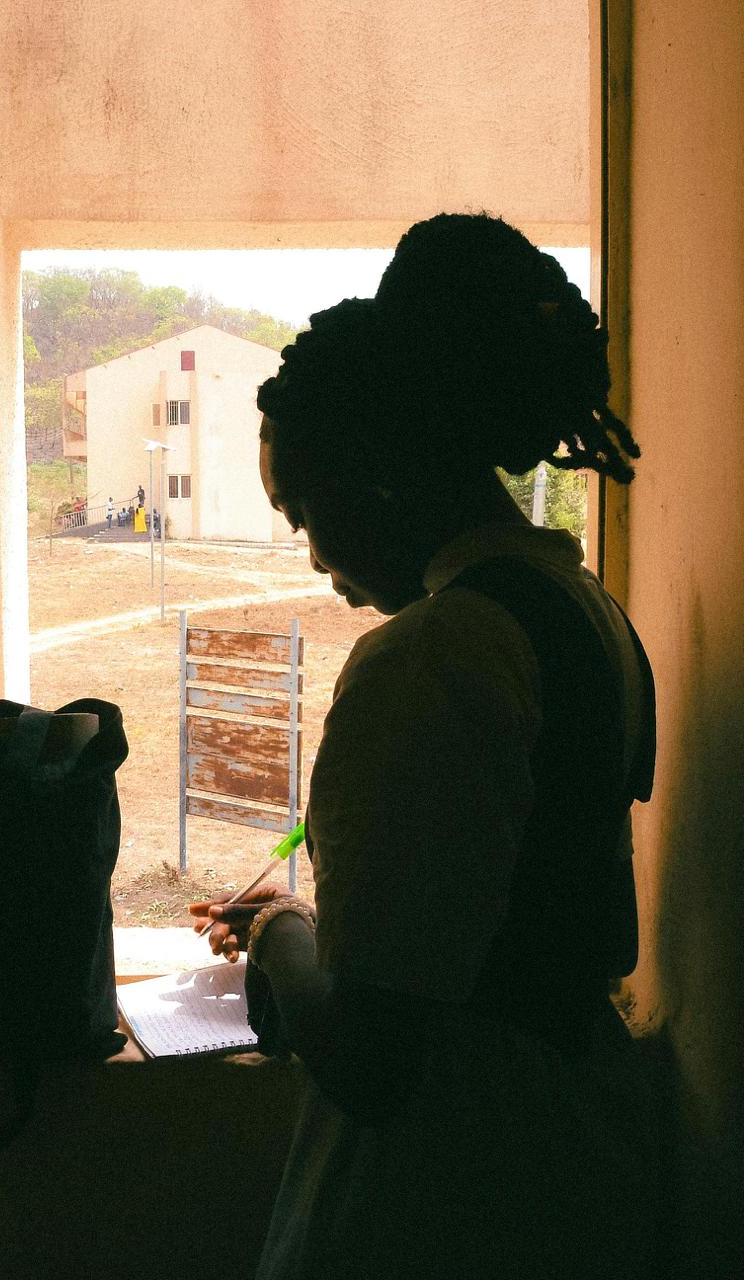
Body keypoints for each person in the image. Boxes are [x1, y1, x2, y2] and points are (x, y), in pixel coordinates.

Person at [189, 214, 660, 1279]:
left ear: (376, 477)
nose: (314, 555)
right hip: (570, 1146)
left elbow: (374, 1054)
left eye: (304, 509)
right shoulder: (585, 613)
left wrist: (282, 936)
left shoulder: (435, 654)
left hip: (451, 1182)